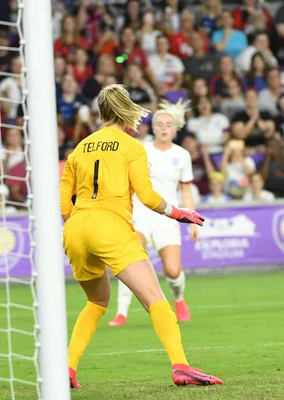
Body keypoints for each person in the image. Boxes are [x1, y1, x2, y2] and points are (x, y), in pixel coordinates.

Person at [60, 84, 222, 388]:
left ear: (100, 112)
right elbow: (147, 196)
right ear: (125, 109)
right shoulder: (131, 146)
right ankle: (181, 366)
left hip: (76, 229)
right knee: (155, 299)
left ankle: (67, 369)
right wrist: (178, 212)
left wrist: (80, 222)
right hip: (108, 226)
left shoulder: (80, 147)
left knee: (96, 302)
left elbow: (64, 201)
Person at [109, 99, 198, 327]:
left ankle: (178, 298)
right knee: (130, 257)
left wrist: (193, 219)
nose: (164, 127)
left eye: (168, 124)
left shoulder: (182, 155)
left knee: (172, 270)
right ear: (154, 127)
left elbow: (185, 190)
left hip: (168, 216)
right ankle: (121, 312)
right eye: (160, 123)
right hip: (140, 213)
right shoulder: (141, 150)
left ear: (175, 127)